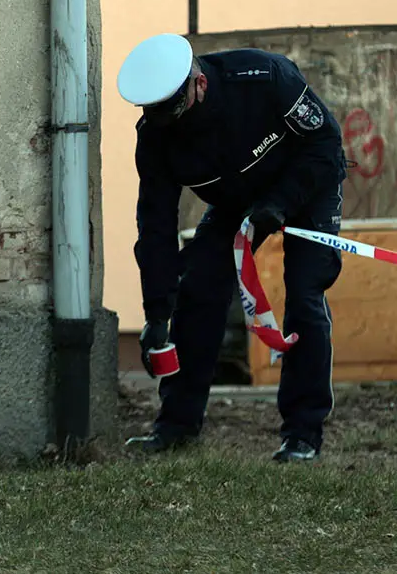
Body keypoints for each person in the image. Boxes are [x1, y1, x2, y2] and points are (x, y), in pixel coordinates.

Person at [116, 33, 346, 462]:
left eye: (174, 111)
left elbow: (326, 143)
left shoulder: (265, 78)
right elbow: (156, 227)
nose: (169, 124)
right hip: (236, 202)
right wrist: (156, 314)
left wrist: (281, 203)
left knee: (305, 293)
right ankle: (177, 425)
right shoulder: (156, 136)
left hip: (305, 186)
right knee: (199, 288)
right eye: (155, 114)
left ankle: (302, 433)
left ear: (199, 84)